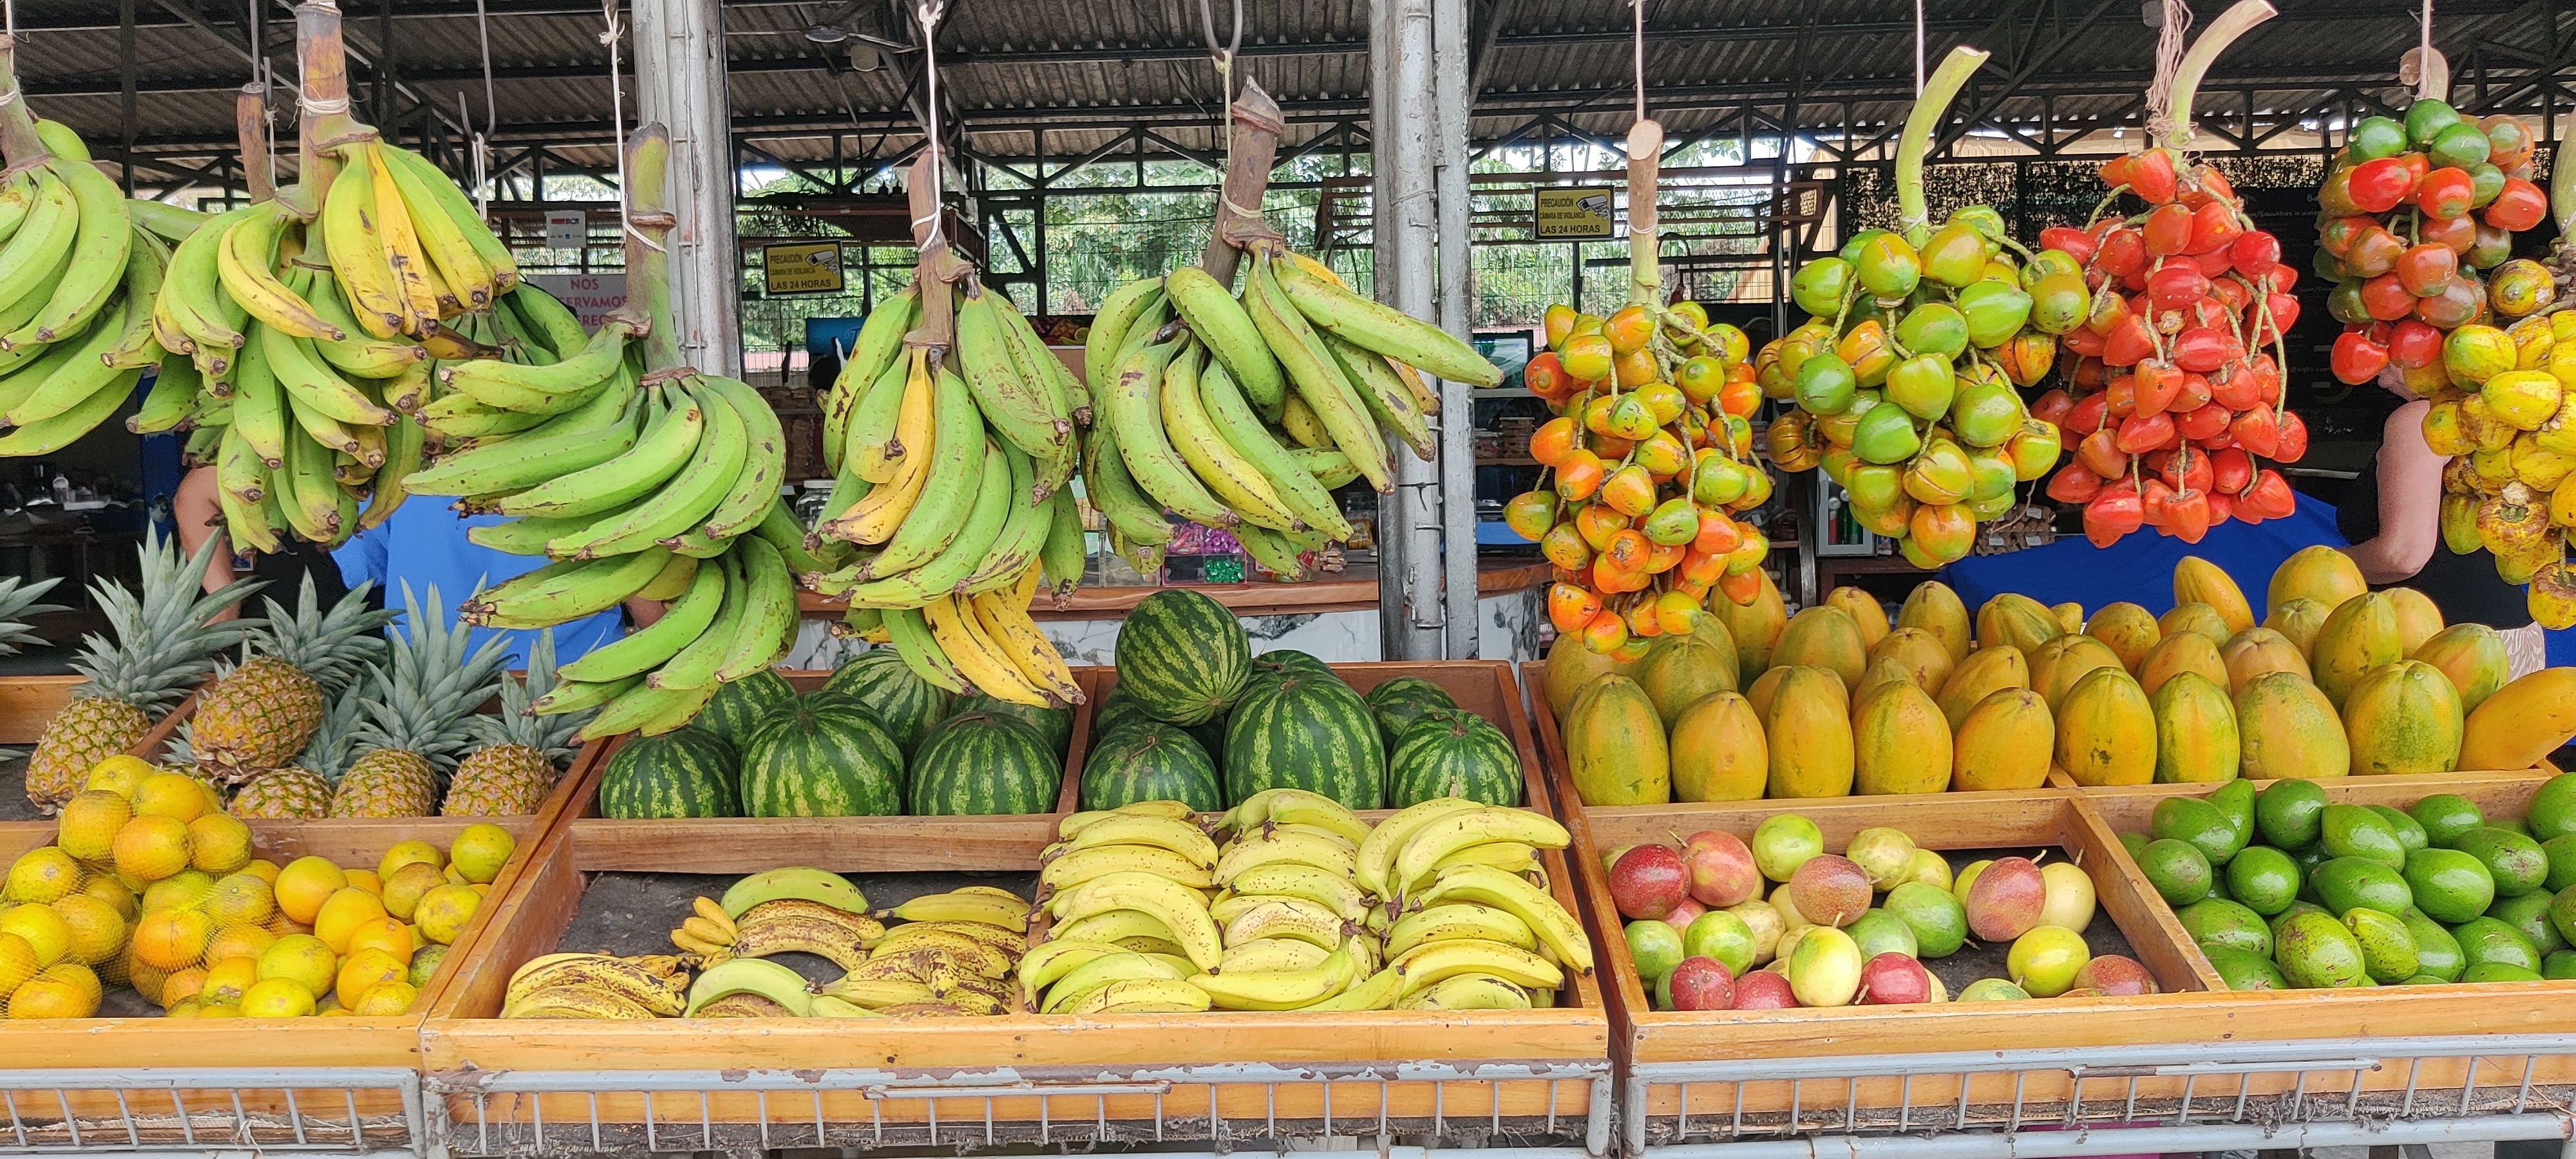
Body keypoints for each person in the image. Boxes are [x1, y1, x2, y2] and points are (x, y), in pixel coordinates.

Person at [2338, 366, 2546, 677]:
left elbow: (2402, 556)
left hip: (2452, 652)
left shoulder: (2422, 420)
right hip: (2510, 639)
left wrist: (2320, 563)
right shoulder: (2497, 415)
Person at [332, 500, 655, 667]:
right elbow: (647, 596)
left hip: (424, 697)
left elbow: (362, 567)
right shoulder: (594, 434)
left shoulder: (393, 446)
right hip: (577, 681)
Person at [173, 466, 350, 619]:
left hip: (360, 626)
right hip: (266, 637)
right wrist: (223, 596)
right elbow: (197, 491)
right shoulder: (245, 462)